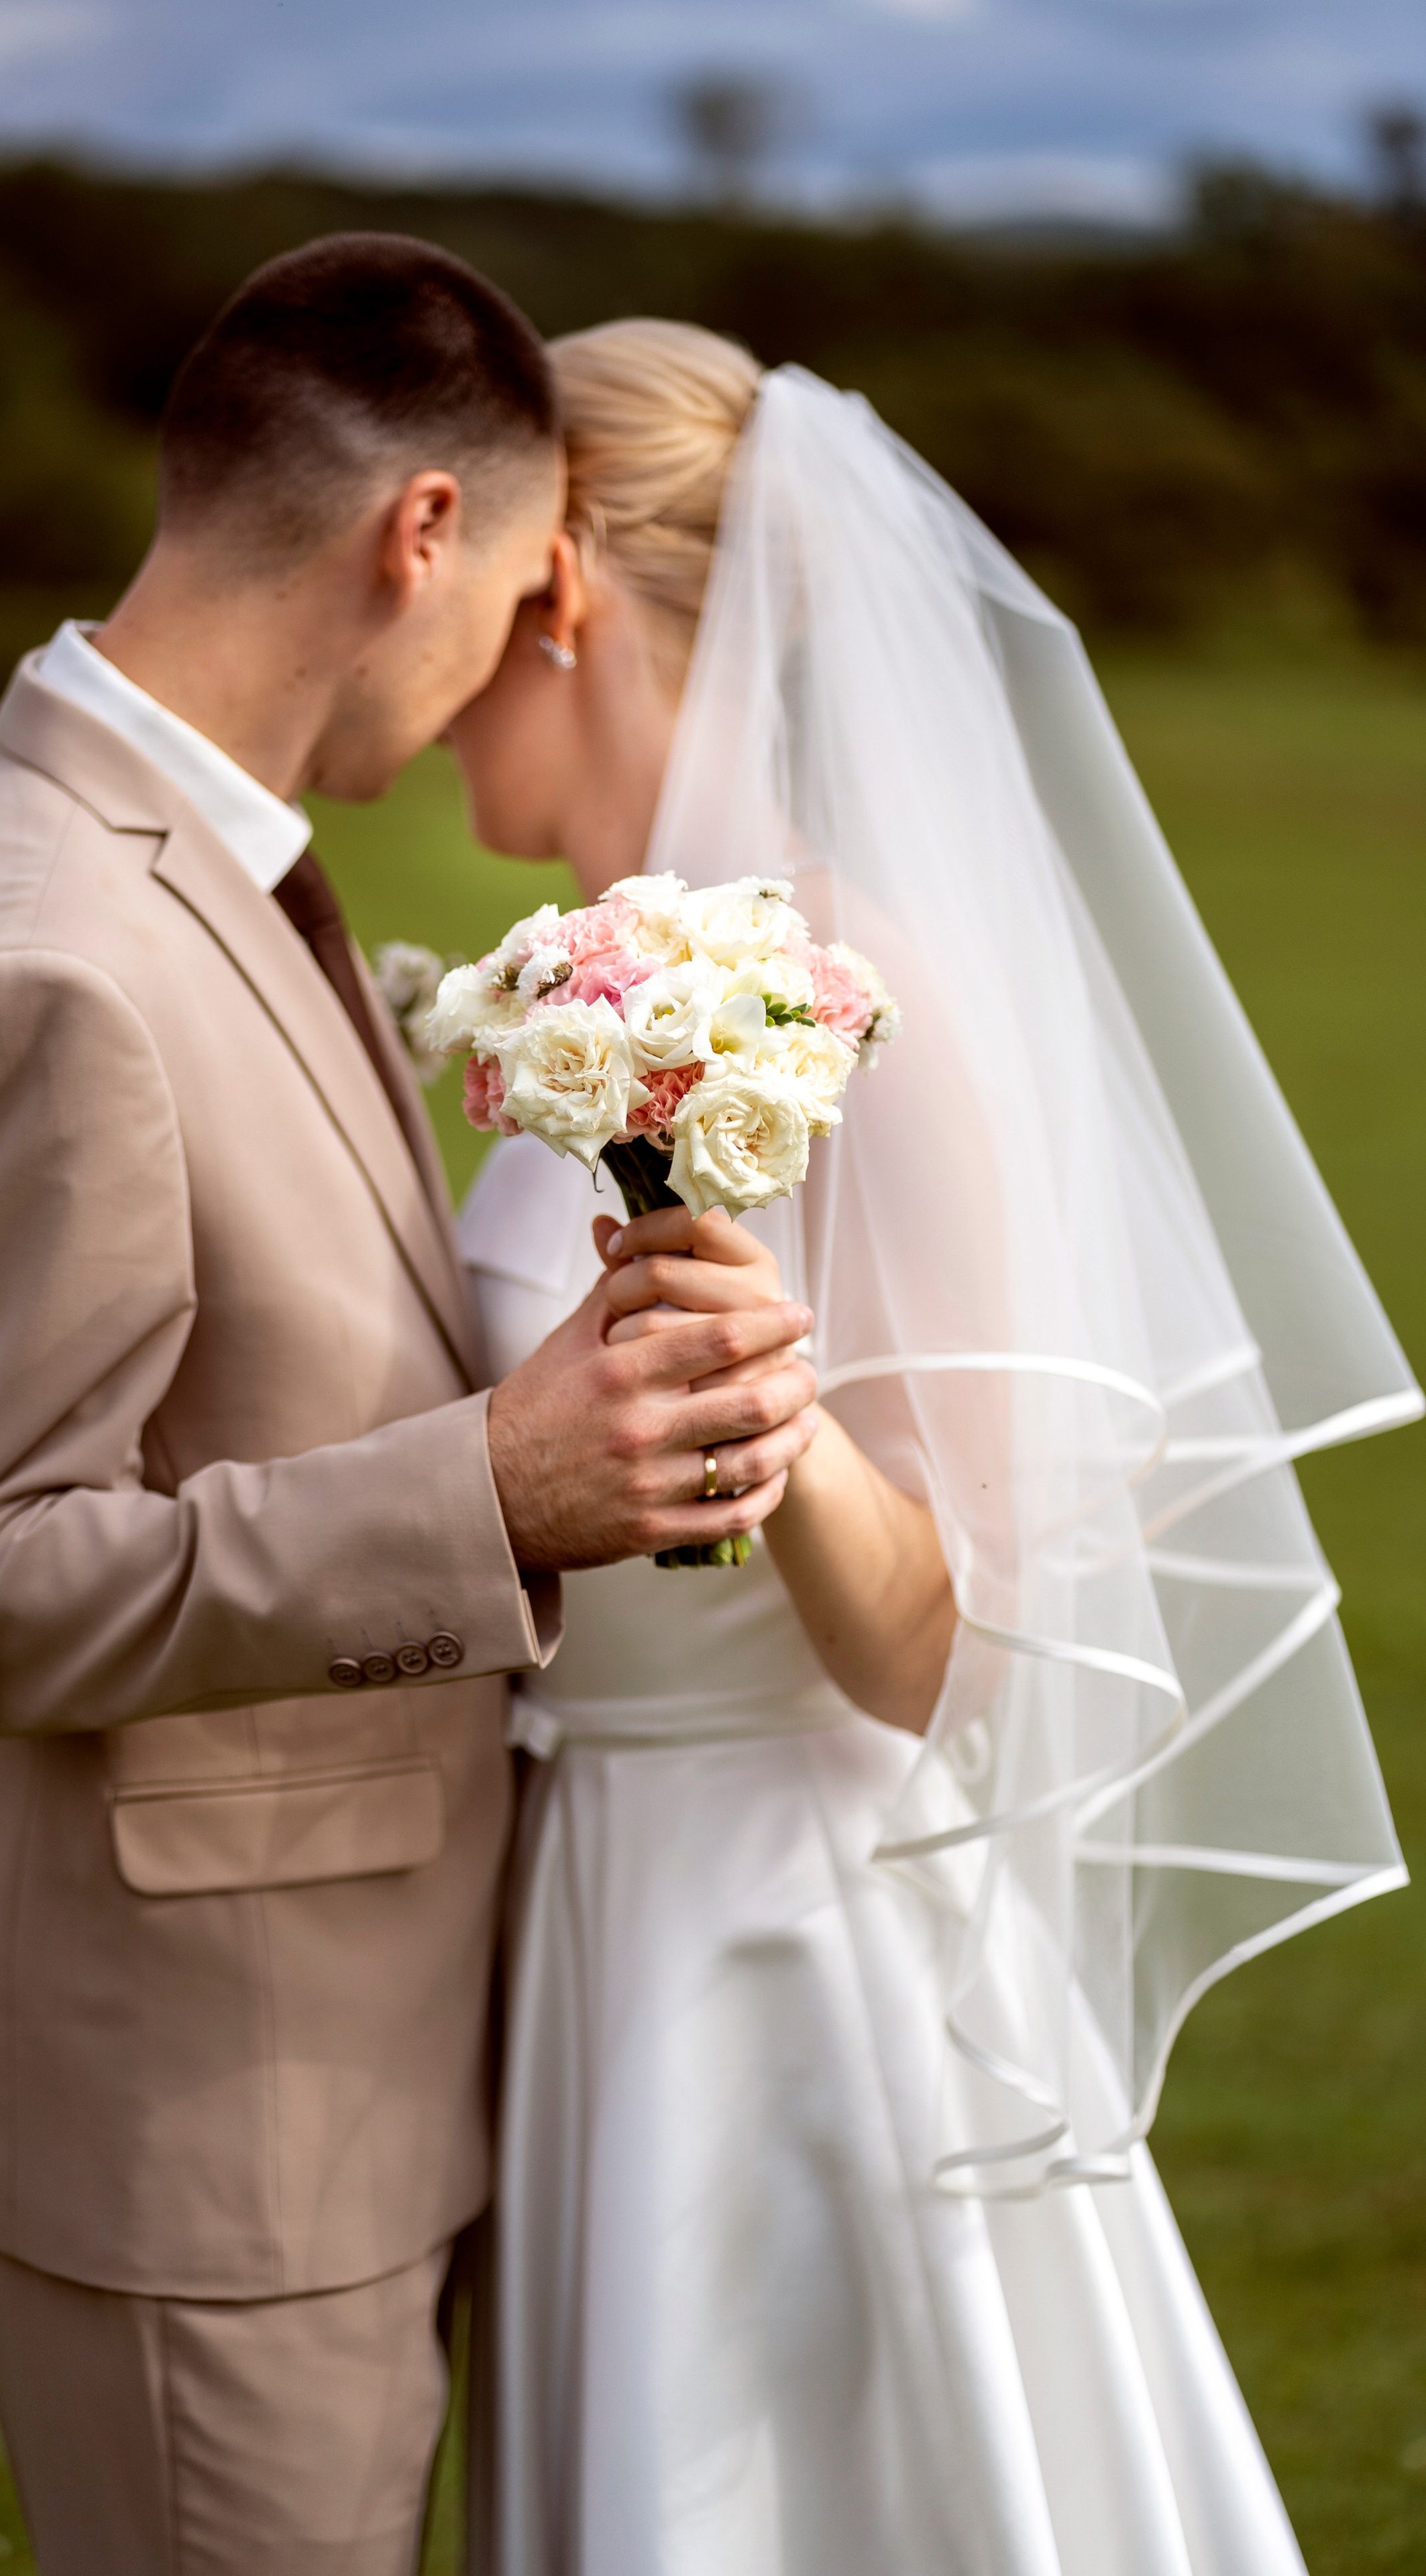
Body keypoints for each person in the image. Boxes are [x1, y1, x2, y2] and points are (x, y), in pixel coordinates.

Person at [0, 249, 819, 2576]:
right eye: (527, 584)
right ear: (421, 537)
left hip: (348, 2066)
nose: (522, 654)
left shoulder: (210, 864)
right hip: (207, 2119)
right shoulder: (47, 946)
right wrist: (497, 1484)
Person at [447, 320, 1421, 2573]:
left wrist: (759, 1415)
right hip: (577, 1899)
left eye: (469, 577)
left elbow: (952, 1649)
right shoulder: (564, 989)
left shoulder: (868, 986)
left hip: (797, 1939)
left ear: (561, 581)